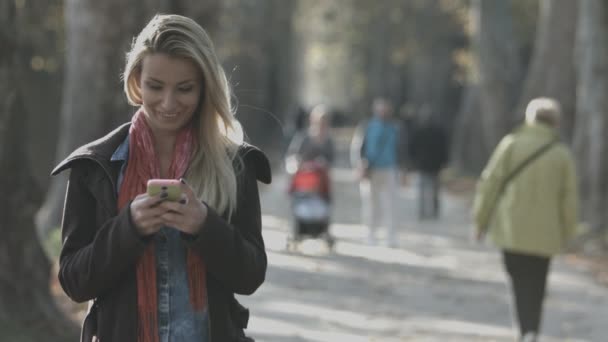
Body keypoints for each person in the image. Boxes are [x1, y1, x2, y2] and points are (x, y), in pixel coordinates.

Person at [51, 14, 271, 342]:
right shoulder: (96, 166)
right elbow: (74, 282)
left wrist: (204, 225)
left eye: (184, 89)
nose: (168, 103)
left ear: (204, 87)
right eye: (156, 86)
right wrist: (128, 227)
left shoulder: (234, 164)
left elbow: (250, 276)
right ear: (137, 81)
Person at [472, 98, 578, 342]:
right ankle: (532, 329)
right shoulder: (562, 154)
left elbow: (490, 184)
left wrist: (480, 221)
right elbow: (569, 198)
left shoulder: (511, 145)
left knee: (518, 281)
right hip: (546, 232)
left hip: (512, 229)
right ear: (556, 122)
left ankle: (523, 328)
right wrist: (568, 232)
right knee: (538, 283)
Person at [351, 97, 401, 247]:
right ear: (375, 109)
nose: (383, 111)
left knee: (390, 204)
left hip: (390, 169)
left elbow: (401, 149)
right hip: (371, 170)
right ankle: (370, 234)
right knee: (371, 204)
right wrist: (359, 166)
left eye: (385, 108)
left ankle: (390, 236)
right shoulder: (367, 126)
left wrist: (404, 169)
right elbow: (357, 147)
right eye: (380, 108)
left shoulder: (395, 128)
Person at [408, 104, 449, 220]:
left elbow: (443, 148)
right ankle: (428, 211)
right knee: (429, 190)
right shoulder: (422, 131)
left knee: (429, 190)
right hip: (429, 165)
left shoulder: (432, 131)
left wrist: (413, 161)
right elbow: (412, 147)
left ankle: (427, 211)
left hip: (429, 165)